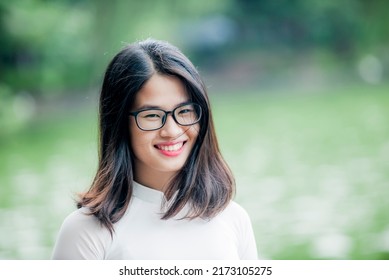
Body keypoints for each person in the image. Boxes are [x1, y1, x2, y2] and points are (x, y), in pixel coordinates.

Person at [52, 38, 258, 260]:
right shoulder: (85, 232)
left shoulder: (233, 219)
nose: (172, 130)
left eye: (185, 111)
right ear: (119, 123)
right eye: (151, 115)